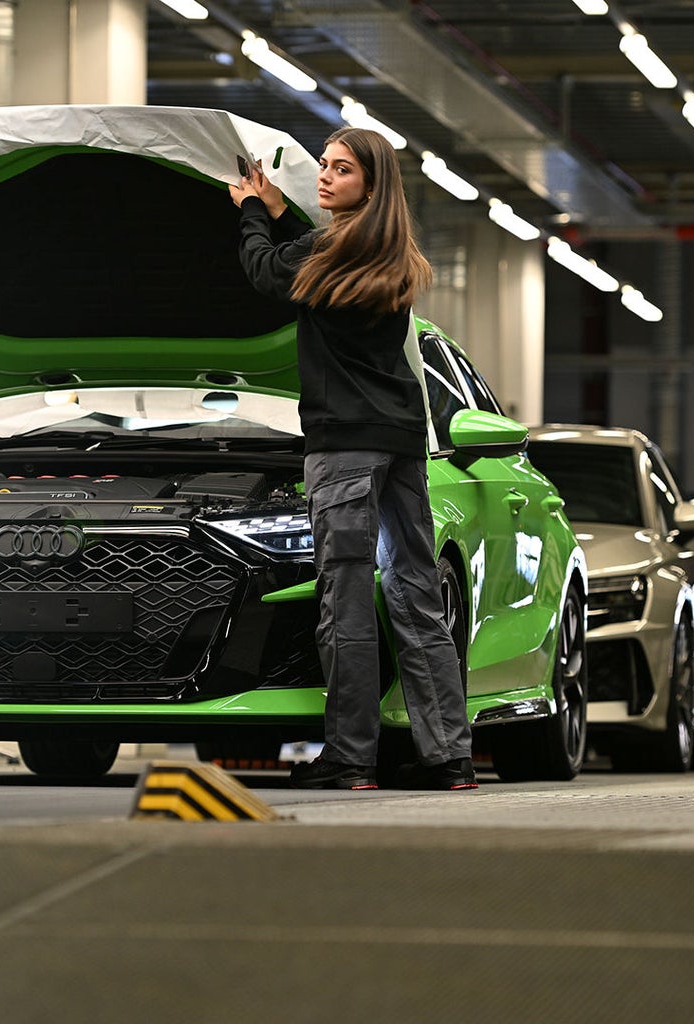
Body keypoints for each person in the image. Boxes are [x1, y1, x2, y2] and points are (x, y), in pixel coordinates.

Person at [228, 127, 477, 791]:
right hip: (400, 442)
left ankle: (351, 758)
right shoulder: (388, 249)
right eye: (327, 167)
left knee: (345, 600)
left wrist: (251, 210)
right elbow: (305, 252)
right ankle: (450, 756)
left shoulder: (328, 246)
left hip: (343, 445)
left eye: (341, 170)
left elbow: (265, 272)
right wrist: (281, 212)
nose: (326, 177)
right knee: (416, 599)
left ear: (371, 182)